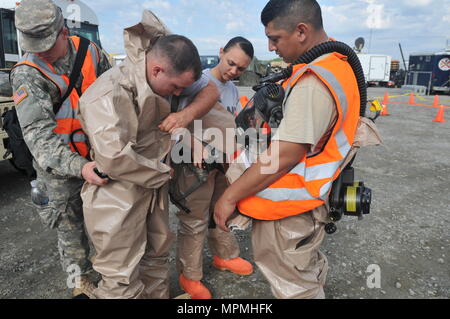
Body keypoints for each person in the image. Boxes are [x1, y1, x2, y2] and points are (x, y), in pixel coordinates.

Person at [214, 0, 361, 299]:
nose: (270, 47)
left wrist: (228, 197)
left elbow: (285, 155)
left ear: (302, 31)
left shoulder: (313, 79)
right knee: (304, 274)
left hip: (287, 210)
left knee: (295, 288)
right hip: (308, 201)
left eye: (275, 38)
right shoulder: (336, 63)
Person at [77, 10, 219, 299]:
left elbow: (209, 92)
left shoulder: (159, 83)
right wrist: (162, 173)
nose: (178, 94)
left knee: (156, 258)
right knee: (121, 277)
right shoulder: (108, 94)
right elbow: (113, 157)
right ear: (156, 70)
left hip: (152, 188)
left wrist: (185, 126)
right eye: (177, 87)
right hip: (117, 195)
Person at [10, 0, 111, 298]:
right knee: (72, 238)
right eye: (33, 44)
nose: (39, 51)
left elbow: (115, 96)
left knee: (110, 223)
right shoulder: (27, 74)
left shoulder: (90, 52)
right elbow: (39, 139)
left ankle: (112, 276)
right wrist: (80, 167)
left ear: (63, 32)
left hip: (99, 156)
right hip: (59, 171)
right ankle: (78, 286)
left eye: (46, 43)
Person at [172, 37, 254, 299]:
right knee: (194, 220)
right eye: (231, 63)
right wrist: (195, 145)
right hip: (193, 165)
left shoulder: (231, 89)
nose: (233, 71)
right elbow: (175, 121)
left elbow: (230, 124)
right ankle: (190, 276)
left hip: (222, 163)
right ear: (221, 52)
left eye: (241, 69)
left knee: (222, 211)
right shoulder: (198, 82)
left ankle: (225, 256)